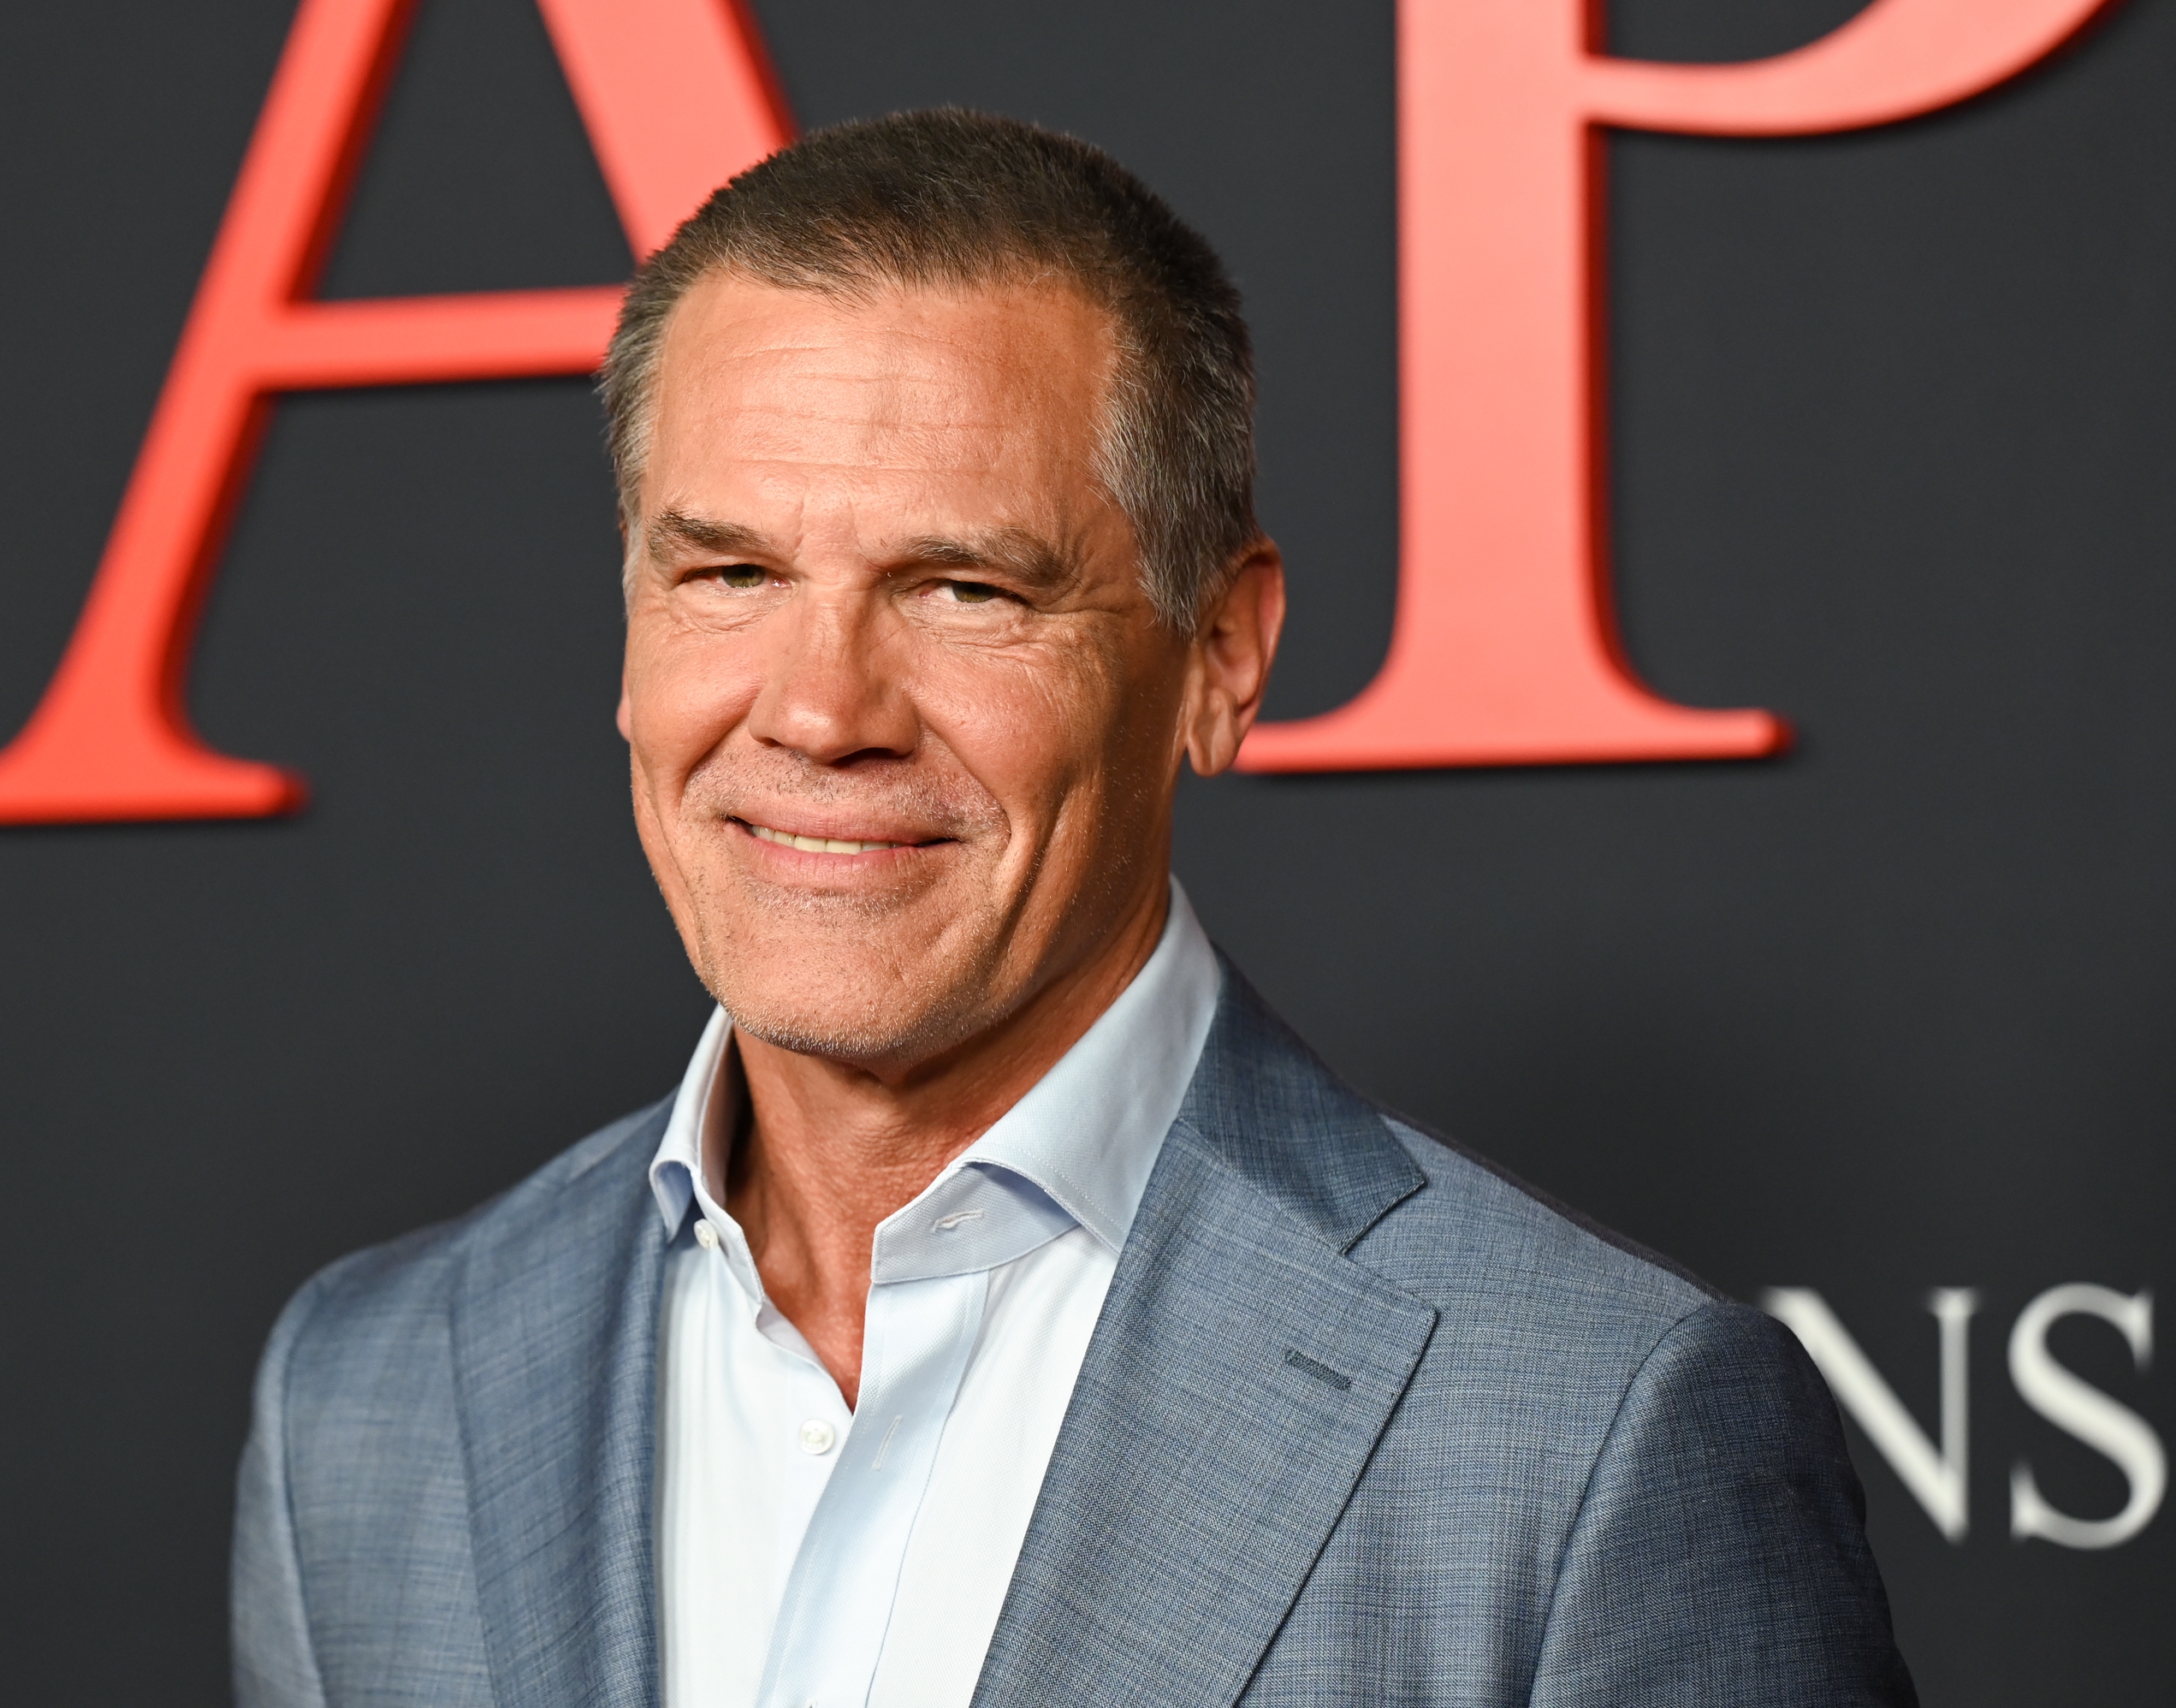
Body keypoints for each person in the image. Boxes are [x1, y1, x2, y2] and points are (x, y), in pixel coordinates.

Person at [231, 110, 1913, 1708]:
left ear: (1224, 656)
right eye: (730, 573)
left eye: (967, 588)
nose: (819, 709)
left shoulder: (1593, 1429)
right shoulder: (367, 1394)